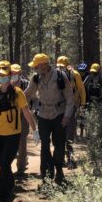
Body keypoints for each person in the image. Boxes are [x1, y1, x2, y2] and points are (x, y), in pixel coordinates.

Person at [0, 61, 37, 202]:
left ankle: (2, 198)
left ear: (10, 76)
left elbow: (26, 111)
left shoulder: (17, 92)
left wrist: (34, 129)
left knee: (4, 165)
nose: (1, 77)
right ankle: (10, 187)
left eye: (4, 75)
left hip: (12, 135)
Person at [24, 54, 74, 185]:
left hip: (59, 115)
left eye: (36, 66)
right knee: (44, 147)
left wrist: (67, 116)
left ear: (44, 65)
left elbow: (69, 98)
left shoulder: (60, 76)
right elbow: (28, 93)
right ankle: (46, 177)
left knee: (59, 145)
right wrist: (14, 98)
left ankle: (59, 173)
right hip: (43, 116)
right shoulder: (35, 78)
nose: (34, 68)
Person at [56, 56, 86, 167]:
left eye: (62, 66)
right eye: (58, 66)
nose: (60, 68)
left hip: (72, 107)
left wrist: (82, 104)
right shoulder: (55, 75)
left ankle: (70, 158)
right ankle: (61, 159)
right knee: (59, 134)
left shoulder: (75, 75)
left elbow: (81, 89)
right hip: (58, 108)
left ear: (67, 65)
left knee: (69, 133)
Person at [10, 63, 30, 176]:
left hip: (24, 115)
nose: (14, 75)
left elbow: (34, 98)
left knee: (22, 140)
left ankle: (21, 167)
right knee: (12, 140)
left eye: (16, 73)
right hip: (10, 116)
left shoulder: (27, 84)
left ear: (20, 73)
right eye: (12, 73)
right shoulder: (6, 84)